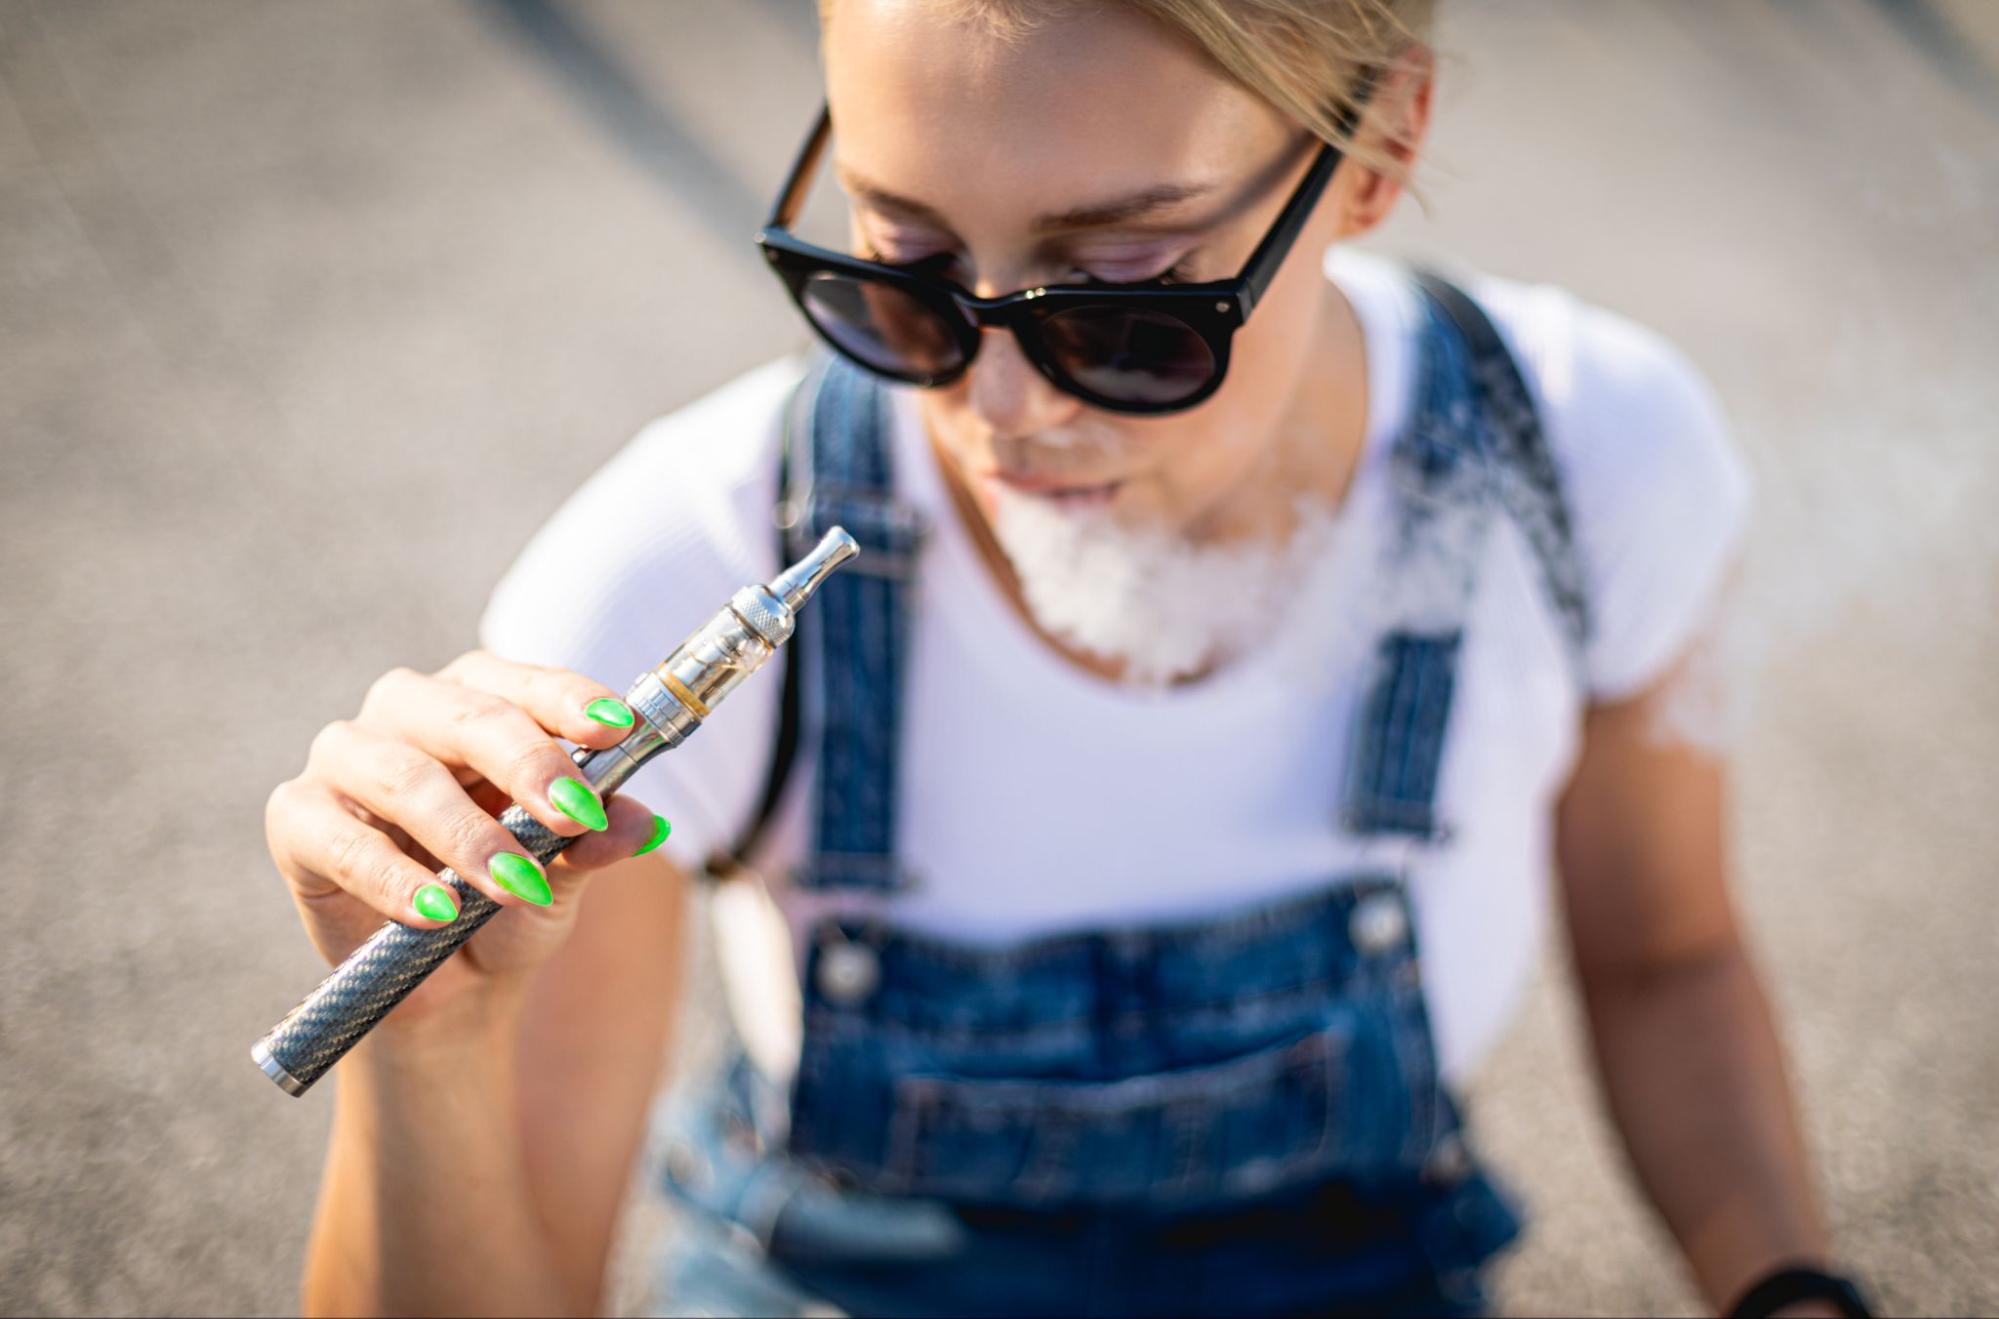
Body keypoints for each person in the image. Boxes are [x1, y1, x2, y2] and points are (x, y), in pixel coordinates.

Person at [262, 2, 1874, 1315]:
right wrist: (428, 1063)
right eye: (898, 265)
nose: (998, 413)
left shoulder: (1584, 463)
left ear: (1379, 147)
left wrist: (1786, 1283)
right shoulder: (679, 561)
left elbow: (1667, 959)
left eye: (1123, 298)